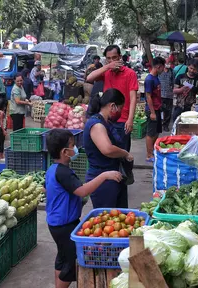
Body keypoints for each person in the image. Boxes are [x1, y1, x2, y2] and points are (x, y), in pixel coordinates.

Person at [46, 129, 122, 288]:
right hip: (64, 225)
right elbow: (82, 191)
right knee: (70, 263)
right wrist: (104, 176)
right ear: (64, 152)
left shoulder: (53, 169)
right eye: (72, 146)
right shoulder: (63, 172)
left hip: (56, 223)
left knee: (62, 258)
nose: (75, 149)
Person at [84, 89, 134, 208]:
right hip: (102, 179)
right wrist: (125, 153)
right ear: (112, 106)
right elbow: (107, 149)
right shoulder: (97, 125)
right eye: (120, 108)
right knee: (107, 219)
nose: (120, 113)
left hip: (114, 176)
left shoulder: (107, 122)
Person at [86, 45, 138, 152]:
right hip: (107, 119)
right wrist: (107, 67)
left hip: (123, 121)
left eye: (114, 58)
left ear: (120, 57)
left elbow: (133, 98)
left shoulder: (130, 74)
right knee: (108, 152)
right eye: (109, 58)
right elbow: (89, 78)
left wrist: (130, 119)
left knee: (122, 153)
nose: (112, 61)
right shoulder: (106, 72)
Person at [144, 57, 165, 162]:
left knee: (156, 132)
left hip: (157, 108)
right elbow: (148, 96)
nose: (163, 70)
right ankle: (149, 155)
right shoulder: (149, 79)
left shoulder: (156, 77)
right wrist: (152, 112)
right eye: (163, 67)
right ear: (158, 66)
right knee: (150, 133)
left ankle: (153, 151)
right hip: (152, 109)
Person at [159, 59, 174, 132]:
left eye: (170, 63)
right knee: (159, 110)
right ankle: (159, 124)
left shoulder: (172, 71)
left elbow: (173, 83)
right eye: (167, 63)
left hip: (169, 94)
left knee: (168, 111)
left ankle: (165, 125)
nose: (168, 64)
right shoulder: (160, 71)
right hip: (160, 94)